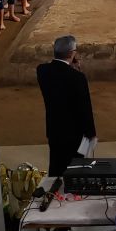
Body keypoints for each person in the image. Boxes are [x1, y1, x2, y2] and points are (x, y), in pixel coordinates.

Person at [36, 36, 96, 176]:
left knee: (56, 165)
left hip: (54, 129)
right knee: (76, 168)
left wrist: (70, 65)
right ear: (71, 54)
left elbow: (54, 68)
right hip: (74, 133)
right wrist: (91, 133)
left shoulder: (42, 71)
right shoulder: (78, 78)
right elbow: (85, 109)